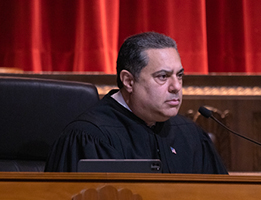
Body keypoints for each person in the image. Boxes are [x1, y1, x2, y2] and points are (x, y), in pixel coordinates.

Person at [45, 32, 228, 174]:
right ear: (129, 81)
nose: (176, 87)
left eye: (179, 76)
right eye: (163, 77)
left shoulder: (189, 134)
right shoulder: (90, 136)